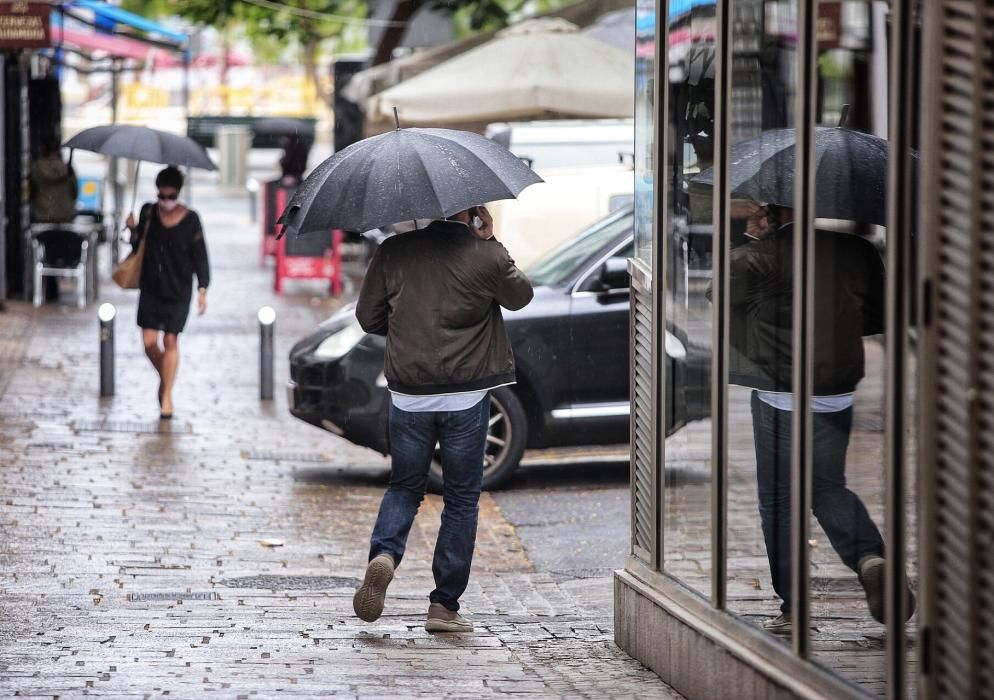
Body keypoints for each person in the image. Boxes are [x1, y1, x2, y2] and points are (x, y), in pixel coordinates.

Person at [722, 202, 913, 632]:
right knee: (826, 486)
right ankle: (870, 558)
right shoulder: (856, 249)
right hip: (836, 389)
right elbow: (879, 313)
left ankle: (794, 607)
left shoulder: (763, 253)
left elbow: (721, 292)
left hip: (779, 392)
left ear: (771, 214)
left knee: (779, 499)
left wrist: (754, 238)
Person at [352, 205, 533, 633]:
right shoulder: (482, 254)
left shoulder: (394, 252)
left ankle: (385, 554)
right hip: (466, 397)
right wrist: (490, 242)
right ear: (470, 210)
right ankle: (443, 606)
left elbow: (367, 317)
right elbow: (521, 296)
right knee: (461, 498)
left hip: (410, 397)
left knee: (405, 486)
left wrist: (408, 324)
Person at [125, 166, 210, 420]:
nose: (166, 202)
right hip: (151, 286)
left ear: (178, 194)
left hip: (179, 288)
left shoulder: (191, 219)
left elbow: (201, 257)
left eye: (171, 197)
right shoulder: (148, 212)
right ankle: (167, 379)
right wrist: (132, 230)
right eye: (162, 196)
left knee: (170, 340)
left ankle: (167, 397)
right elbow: (139, 245)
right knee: (149, 343)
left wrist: (203, 289)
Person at [30, 140, 78, 224]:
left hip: (42, 214)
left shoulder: (36, 167)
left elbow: (32, 191)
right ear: (58, 150)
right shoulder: (67, 169)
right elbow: (74, 192)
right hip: (64, 214)